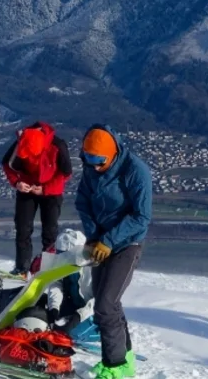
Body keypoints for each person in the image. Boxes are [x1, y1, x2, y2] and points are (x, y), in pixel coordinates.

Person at [75, 125, 152, 379]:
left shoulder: (135, 171)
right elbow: (83, 202)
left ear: (113, 154)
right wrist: (93, 237)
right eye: (90, 161)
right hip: (100, 243)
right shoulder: (90, 168)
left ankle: (115, 366)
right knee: (105, 303)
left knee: (106, 305)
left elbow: (141, 216)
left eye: (100, 162)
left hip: (127, 243)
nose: (95, 168)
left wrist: (108, 240)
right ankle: (125, 359)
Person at [2, 121, 72, 274]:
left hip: (51, 191)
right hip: (26, 188)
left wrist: (46, 189)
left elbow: (65, 174)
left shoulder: (58, 146)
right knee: (23, 228)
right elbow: (8, 164)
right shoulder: (21, 141)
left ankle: (48, 268)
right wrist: (17, 183)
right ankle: (22, 268)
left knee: (50, 232)